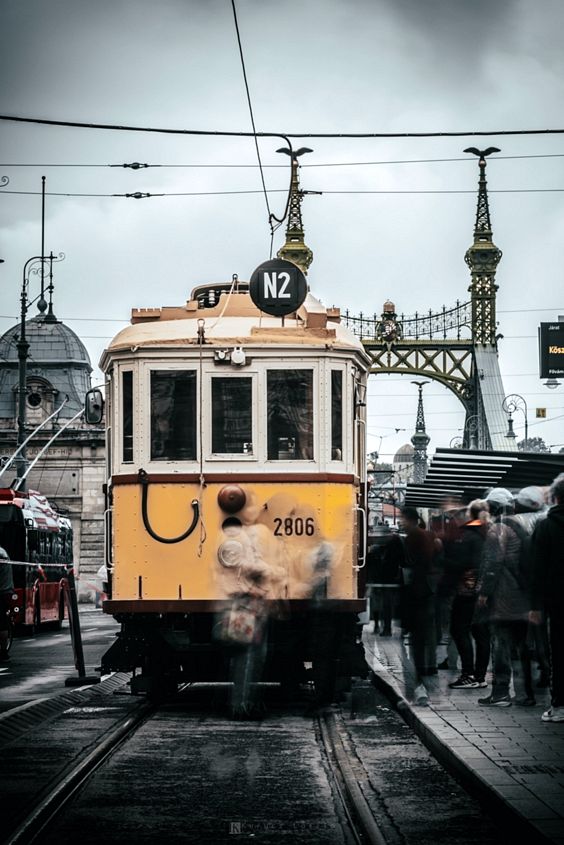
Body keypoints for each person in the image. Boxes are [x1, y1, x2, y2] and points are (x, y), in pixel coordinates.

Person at [477, 488, 534, 707]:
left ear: (495, 506)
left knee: (500, 642)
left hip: (504, 595)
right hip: (522, 595)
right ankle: (525, 693)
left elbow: (493, 564)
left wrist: (484, 593)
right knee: (521, 646)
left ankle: (500, 692)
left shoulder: (498, 529)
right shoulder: (521, 526)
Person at [530, 473, 564, 723]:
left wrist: (535, 605)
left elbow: (537, 569)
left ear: (556, 497)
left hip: (557, 599)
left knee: (560, 651)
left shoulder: (545, 525)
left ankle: (560, 705)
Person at [447, 499, 491, 690]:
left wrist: (446, 560)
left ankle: (468, 674)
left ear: (469, 514)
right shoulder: (488, 532)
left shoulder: (469, 535)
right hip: (484, 591)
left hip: (467, 591)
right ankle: (480, 676)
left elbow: (463, 563)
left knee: (459, 629)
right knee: (481, 634)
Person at [399, 507, 437, 685]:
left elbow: (413, 564)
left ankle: (421, 668)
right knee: (427, 631)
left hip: (418, 591)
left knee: (419, 634)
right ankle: (430, 665)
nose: (400, 522)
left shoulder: (414, 536)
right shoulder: (428, 535)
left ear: (412, 520)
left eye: (403, 519)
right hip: (429, 589)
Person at [0, 545, 14, 662]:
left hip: (1, 591)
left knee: (2, 623)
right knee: (2, 621)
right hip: (6, 591)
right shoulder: (3, 551)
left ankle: (3, 651)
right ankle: (3, 651)